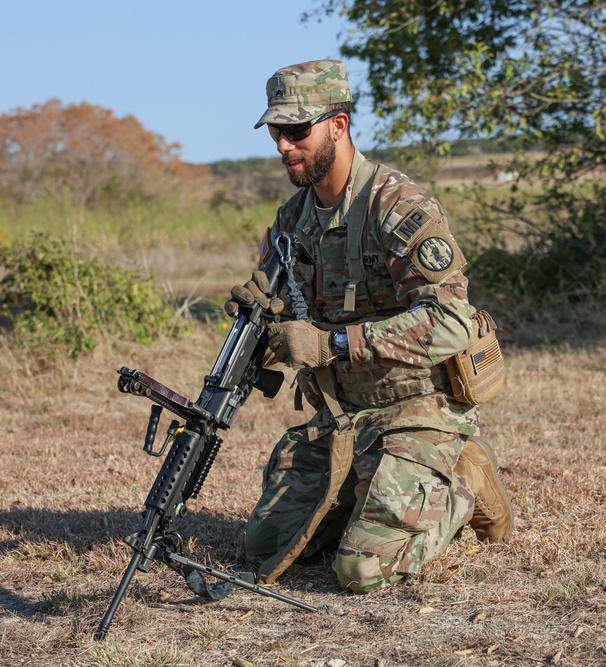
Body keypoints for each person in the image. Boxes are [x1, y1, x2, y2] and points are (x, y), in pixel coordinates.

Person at [226, 59, 513, 594]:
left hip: (415, 409)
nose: (284, 146)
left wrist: (333, 343)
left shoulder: (397, 206)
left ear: (338, 124)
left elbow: (450, 321)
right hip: (341, 419)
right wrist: (261, 327)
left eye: (296, 131)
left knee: (361, 571)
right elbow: (286, 320)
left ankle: (465, 473)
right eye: (276, 133)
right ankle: (368, 490)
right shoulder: (291, 222)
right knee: (267, 550)